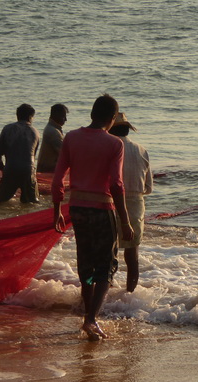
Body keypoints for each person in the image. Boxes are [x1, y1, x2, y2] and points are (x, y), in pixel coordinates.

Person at [52, 94, 134, 341]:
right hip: (102, 210)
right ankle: (91, 319)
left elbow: (58, 179)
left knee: (86, 264)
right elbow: (117, 186)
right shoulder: (114, 144)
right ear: (111, 119)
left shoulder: (71, 138)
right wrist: (125, 221)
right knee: (106, 267)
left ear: (91, 115)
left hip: (77, 209)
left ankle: (87, 316)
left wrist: (57, 209)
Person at [108, 111, 153, 292]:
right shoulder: (141, 150)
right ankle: (130, 294)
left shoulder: (108, 149)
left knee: (108, 252)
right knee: (132, 254)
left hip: (110, 202)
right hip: (135, 204)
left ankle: (104, 290)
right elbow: (148, 187)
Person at [0, 103, 40, 203]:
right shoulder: (35, 132)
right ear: (30, 117)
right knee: (31, 203)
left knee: (2, 201)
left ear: (17, 116)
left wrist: (0, 163)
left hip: (11, 169)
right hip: (28, 170)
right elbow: (33, 154)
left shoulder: (7, 129)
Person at [36, 103, 69, 173]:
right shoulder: (54, 132)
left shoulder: (51, 128)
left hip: (44, 168)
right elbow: (64, 154)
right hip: (48, 171)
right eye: (63, 117)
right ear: (56, 115)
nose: (66, 119)